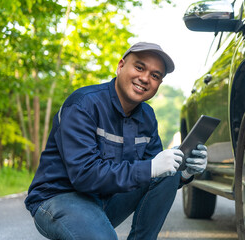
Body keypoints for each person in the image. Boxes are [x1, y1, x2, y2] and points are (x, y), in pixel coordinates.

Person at [24, 42, 208, 240]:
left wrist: (184, 172)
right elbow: (84, 175)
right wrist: (151, 168)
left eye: (155, 76)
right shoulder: (83, 105)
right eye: (139, 67)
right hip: (59, 198)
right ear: (120, 66)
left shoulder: (147, 117)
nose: (145, 78)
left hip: (105, 200)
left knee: (168, 168)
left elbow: (157, 177)